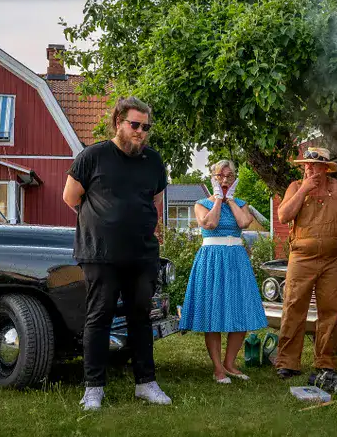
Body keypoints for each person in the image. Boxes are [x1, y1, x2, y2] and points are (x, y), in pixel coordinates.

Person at [63, 96, 172, 411]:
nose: (141, 132)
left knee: (141, 319)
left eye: (146, 127)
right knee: (99, 318)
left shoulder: (153, 161)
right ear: (118, 122)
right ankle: (94, 388)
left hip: (142, 254)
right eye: (135, 125)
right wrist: (102, 222)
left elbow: (156, 200)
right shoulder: (93, 156)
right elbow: (71, 197)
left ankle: (146, 383)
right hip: (101, 254)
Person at [178, 160, 268, 383]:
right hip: (212, 260)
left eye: (230, 176)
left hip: (236, 259)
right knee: (213, 314)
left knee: (241, 310)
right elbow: (209, 224)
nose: (225, 180)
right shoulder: (201, 204)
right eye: (221, 176)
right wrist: (218, 199)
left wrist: (231, 200)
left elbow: (244, 222)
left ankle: (230, 363)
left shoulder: (241, 203)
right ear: (213, 178)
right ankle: (218, 368)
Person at [274, 147, 337, 383]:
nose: (308, 168)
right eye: (305, 164)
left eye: (313, 164)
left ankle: (325, 363)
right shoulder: (295, 186)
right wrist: (304, 189)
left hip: (333, 260)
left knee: (330, 311)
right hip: (301, 257)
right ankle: (287, 362)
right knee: (293, 307)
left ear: (325, 168)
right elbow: (283, 216)